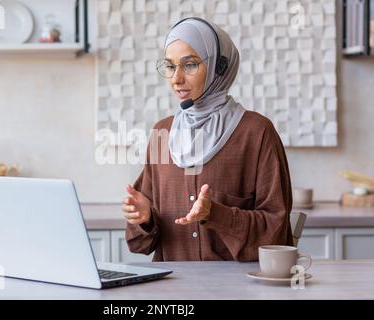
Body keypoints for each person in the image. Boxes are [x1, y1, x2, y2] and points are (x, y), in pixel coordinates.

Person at [122, 17, 293, 262]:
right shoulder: (162, 133)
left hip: (238, 290)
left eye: (190, 65)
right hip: (173, 292)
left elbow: (276, 231)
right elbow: (141, 244)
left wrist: (216, 214)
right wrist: (144, 218)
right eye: (170, 67)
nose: (176, 79)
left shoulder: (257, 132)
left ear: (219, 68)